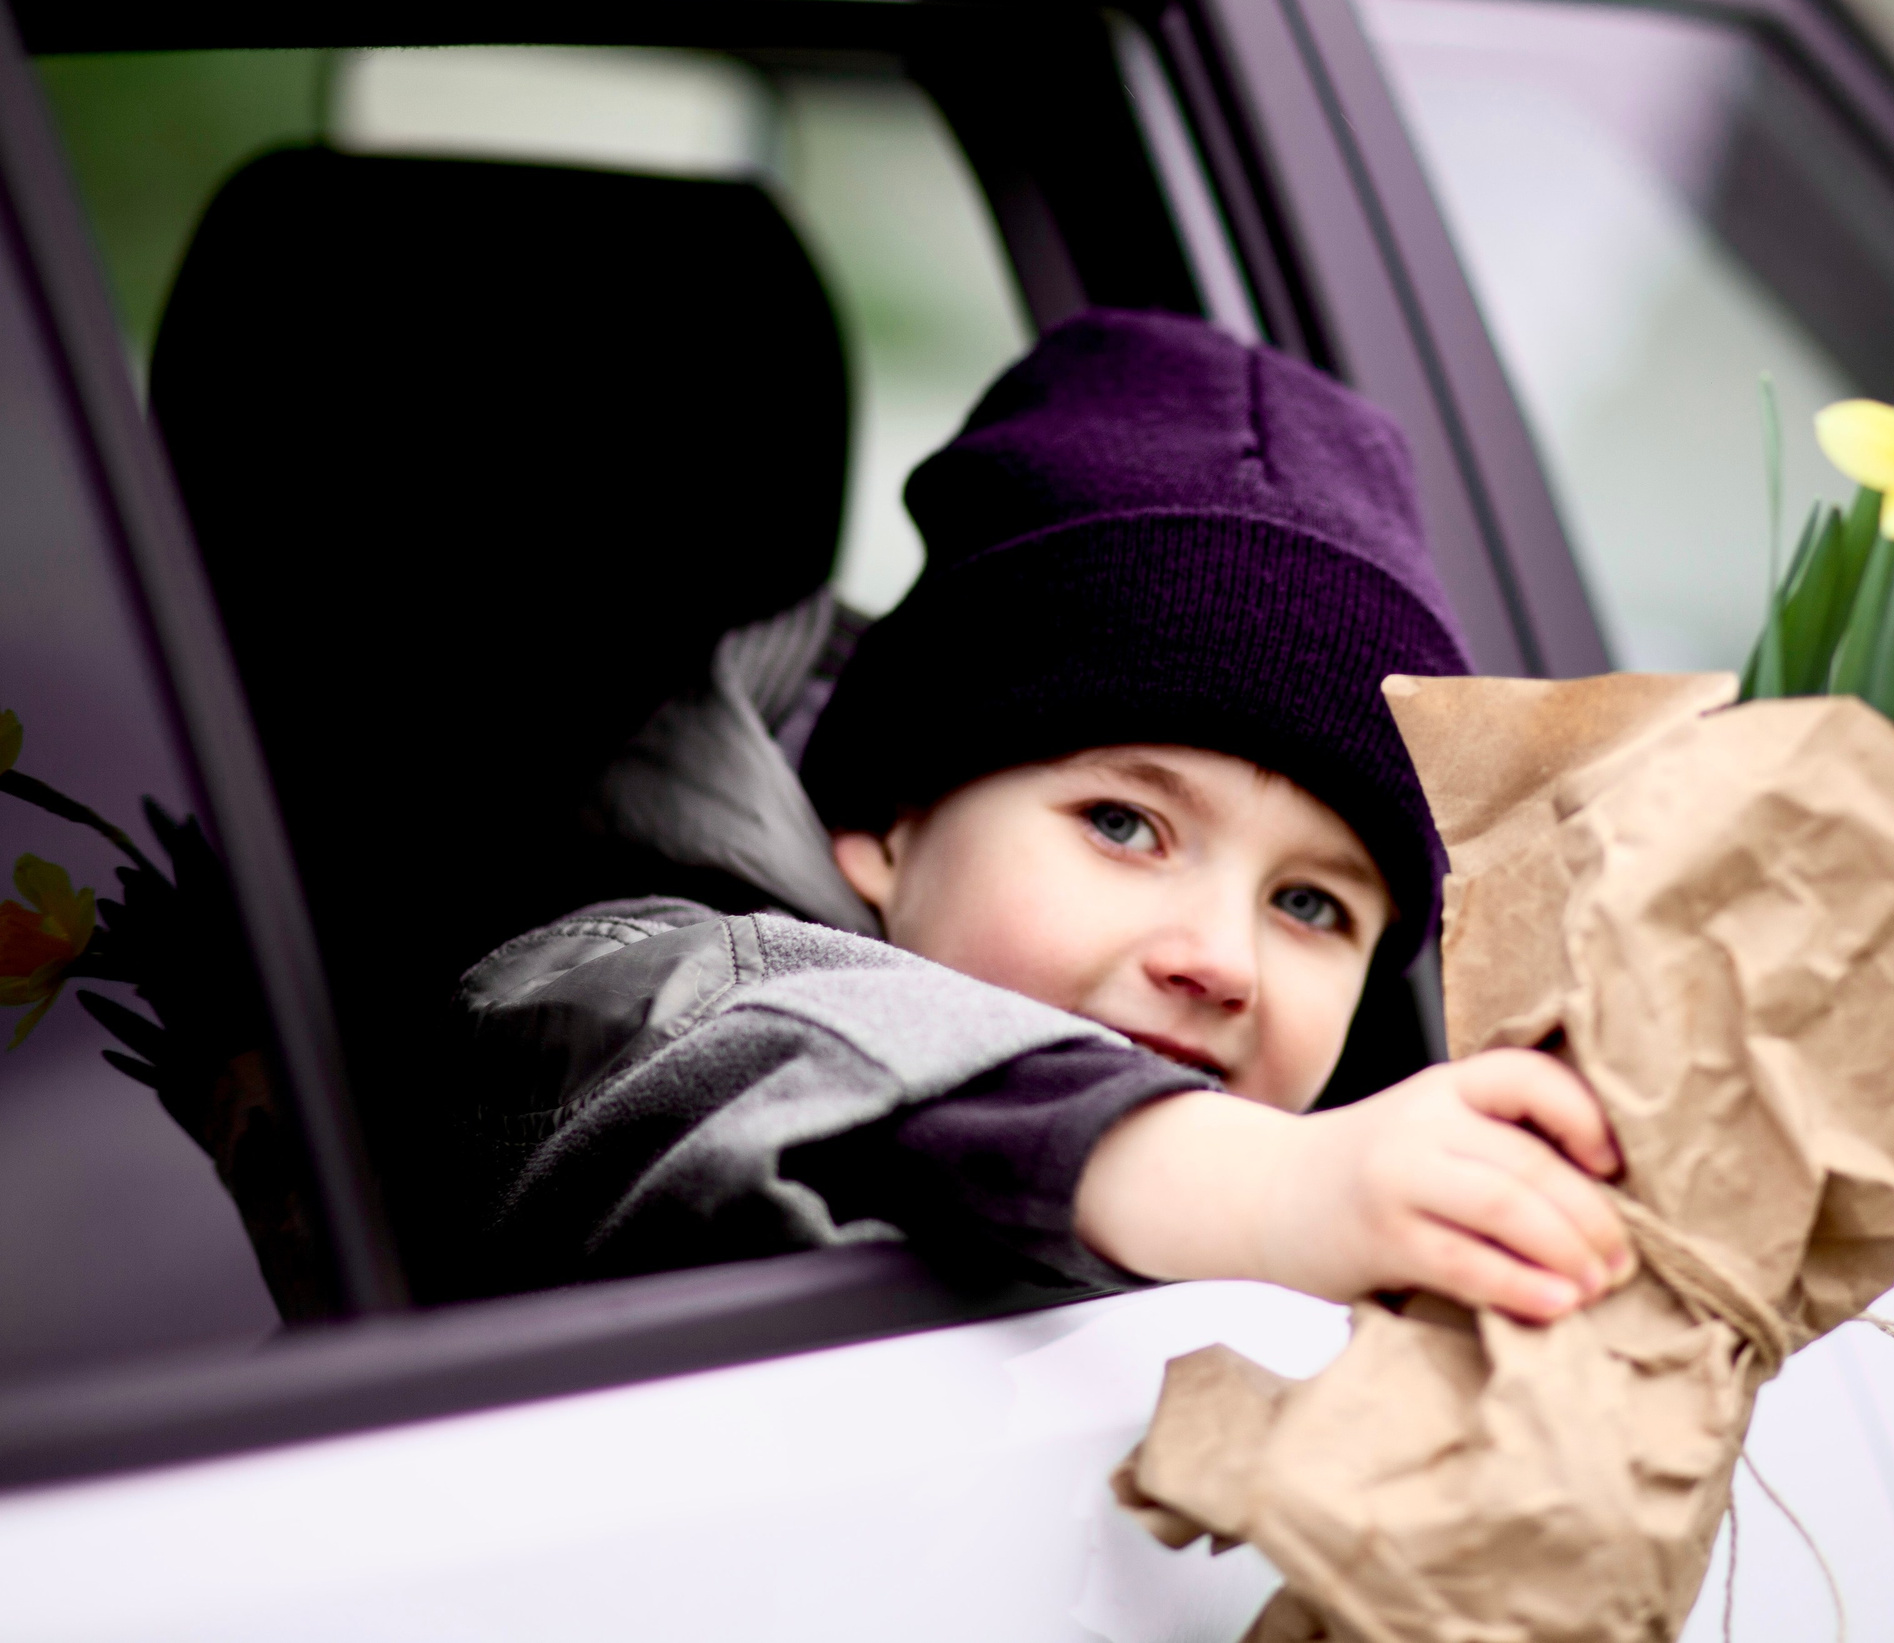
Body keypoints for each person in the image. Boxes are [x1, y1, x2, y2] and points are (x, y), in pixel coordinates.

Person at [450, 309, 1632, 1321]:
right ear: (888, 816)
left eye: (1310, 904)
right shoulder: (631, 988)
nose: (1222, 962)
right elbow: (762, 1055)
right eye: (1123, 825)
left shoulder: (1314, 1190)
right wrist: (1269, 1189)